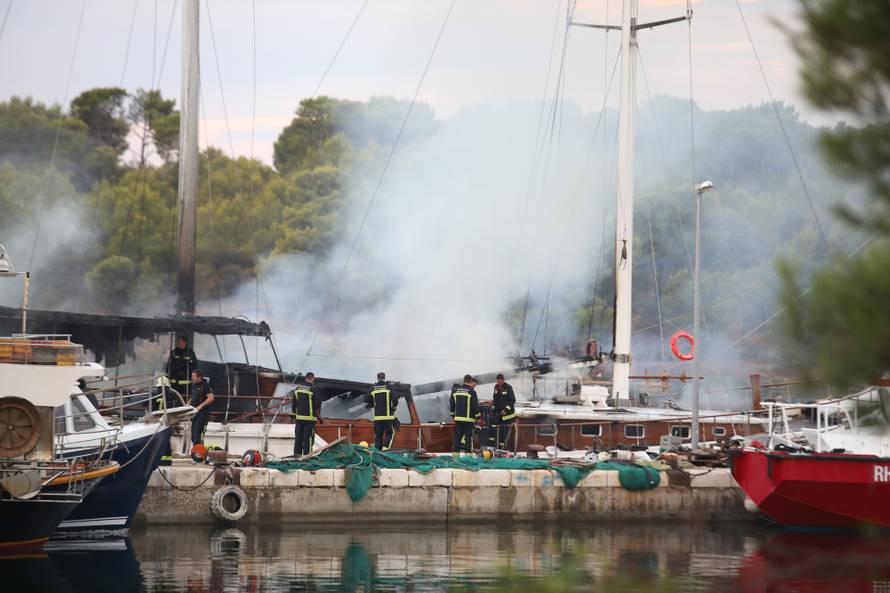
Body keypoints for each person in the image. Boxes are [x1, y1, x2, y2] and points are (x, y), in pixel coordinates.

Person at [365, 372, 399, 450]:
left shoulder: (373, 388)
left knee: (378, 437)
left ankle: (377, 452)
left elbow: (366, 399)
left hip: (377, 419)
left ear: (377, 378)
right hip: (388, 418)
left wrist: (372, 402)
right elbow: (395, 400)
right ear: (384, 377)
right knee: (390, 434)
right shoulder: (389, 387)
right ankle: (385, 450)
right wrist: (393, 408)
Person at [291, 372, 322, 457]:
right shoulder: (313, 389)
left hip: (299, 418)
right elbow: (317, 404)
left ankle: (297, 456)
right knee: (308, 439)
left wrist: (294, 415)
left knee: (298, 438)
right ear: (313, 378)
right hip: (309, 419)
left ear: (305, 378)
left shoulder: (297, 389)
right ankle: (306, 457)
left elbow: (294, 403)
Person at [450, 375, 480, 455]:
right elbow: (475, 406)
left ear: (464, 380)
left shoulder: (455, 391)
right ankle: (468, 457)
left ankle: (455, 456)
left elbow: (452, 404)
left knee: (457, 437)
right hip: (469, 420)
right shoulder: (472, 391)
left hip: (458, 419)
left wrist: (453, 416)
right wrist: (478, 417)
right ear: (470, 381)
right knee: (468, 438)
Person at [165, 336, 198, 400]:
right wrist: (167, 378)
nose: (181, 343)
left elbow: (195, 366)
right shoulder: (174, 352)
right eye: (179, 342)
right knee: (174, 399)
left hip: (186, 384)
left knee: (185, 399)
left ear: (185, 342)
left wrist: (194, 377)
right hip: (174, 383)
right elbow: (168, 366)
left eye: (182, 341)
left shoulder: (190, 353)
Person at [189, 370, 215, 446]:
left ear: (199, 377)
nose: (192, 378)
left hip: (202, 413)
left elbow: (211, 398)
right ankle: (197, 450)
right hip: (194, 413)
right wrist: (187, 405)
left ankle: (198, 451)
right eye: (192, 376)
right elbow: (193, 396)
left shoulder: (205, 385)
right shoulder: (194, 385)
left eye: (194, 376)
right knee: (193, 435)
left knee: (198, 434)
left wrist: (200, 406)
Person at [492, 373, 516, 450]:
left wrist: (505, 410)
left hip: (508, 416)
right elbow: (495, 399)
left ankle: (505, 448)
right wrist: (492, 405)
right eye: (497, 382)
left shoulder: (508, 387)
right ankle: (498, 447)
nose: (498, 384)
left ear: (503, 380)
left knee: (505, 433)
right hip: (499, 415)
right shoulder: (496, 387)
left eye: (500, 382)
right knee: (498, 432)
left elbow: (512, 400)